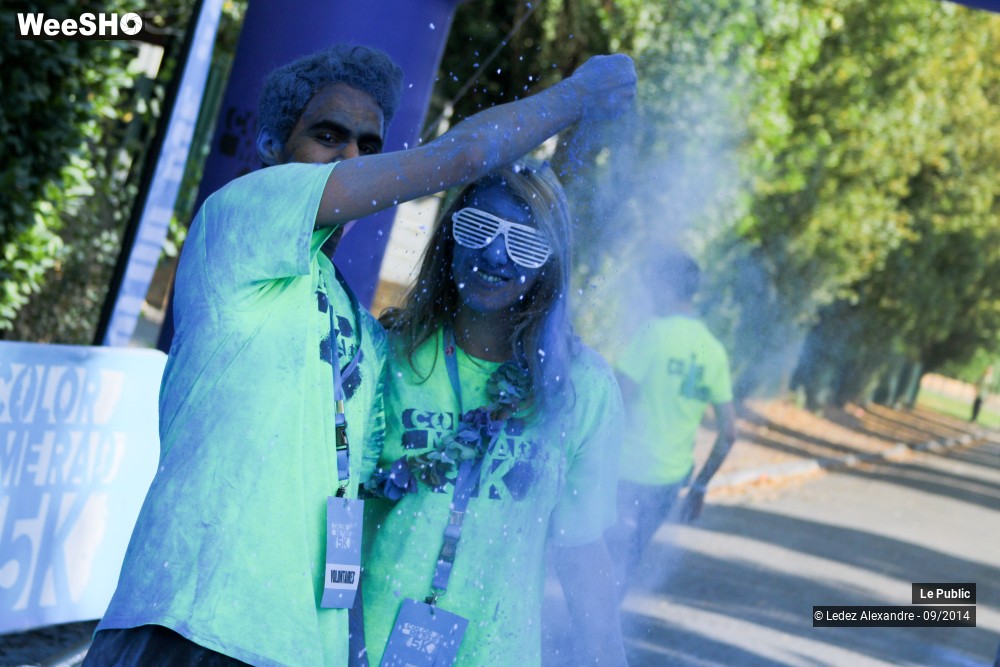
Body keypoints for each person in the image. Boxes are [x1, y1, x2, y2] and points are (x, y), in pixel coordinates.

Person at [84, 43, 635, 666]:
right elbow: (463, 157)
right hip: (189, 624)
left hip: (296, 649)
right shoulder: (239, 220)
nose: (348, 158)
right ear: (271, 144)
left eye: (367, 147)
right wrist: (579, 95)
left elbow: (350, 498)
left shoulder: (364, 331)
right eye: (326, 135)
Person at [360, 160, 627, 666]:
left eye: (525, 243)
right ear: (450, 235)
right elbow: (342, 512)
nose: (495, 255)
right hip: (362, 649)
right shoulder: (390, 356)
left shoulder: (581, 389)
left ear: (551, 263)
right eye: (478, 227)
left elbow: (582, 551)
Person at [604, 250, 737, 598]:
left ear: (665, 286)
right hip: (668, 480)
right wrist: (700, 486)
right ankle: (600, 637)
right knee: (628, 561)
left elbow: (613, 404)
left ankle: (576, 638)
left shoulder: (653, 335)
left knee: (593, 559)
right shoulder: (714, 350)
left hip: (624, 473)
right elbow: (729, 433)